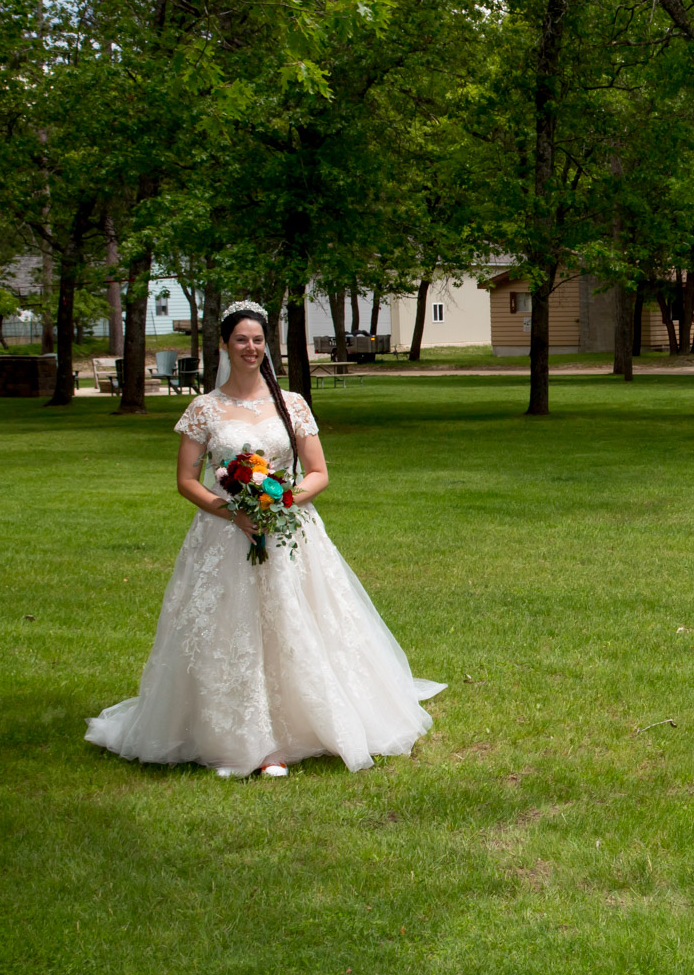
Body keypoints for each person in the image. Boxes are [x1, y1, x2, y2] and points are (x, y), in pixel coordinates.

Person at [86, 301, 444, 778]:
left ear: (266, 345)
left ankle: (308, 723)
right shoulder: (204, 409)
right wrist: (233, 511)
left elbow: (318, 473)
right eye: (241, 340)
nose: (250, 348)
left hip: (290, 534)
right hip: (224, 535)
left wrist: (282, 504)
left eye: (257, 340)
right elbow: (187, 480)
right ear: (225, 345)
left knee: (298, 624)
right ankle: (244, 737)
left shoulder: (291, 403)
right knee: (230, 630)